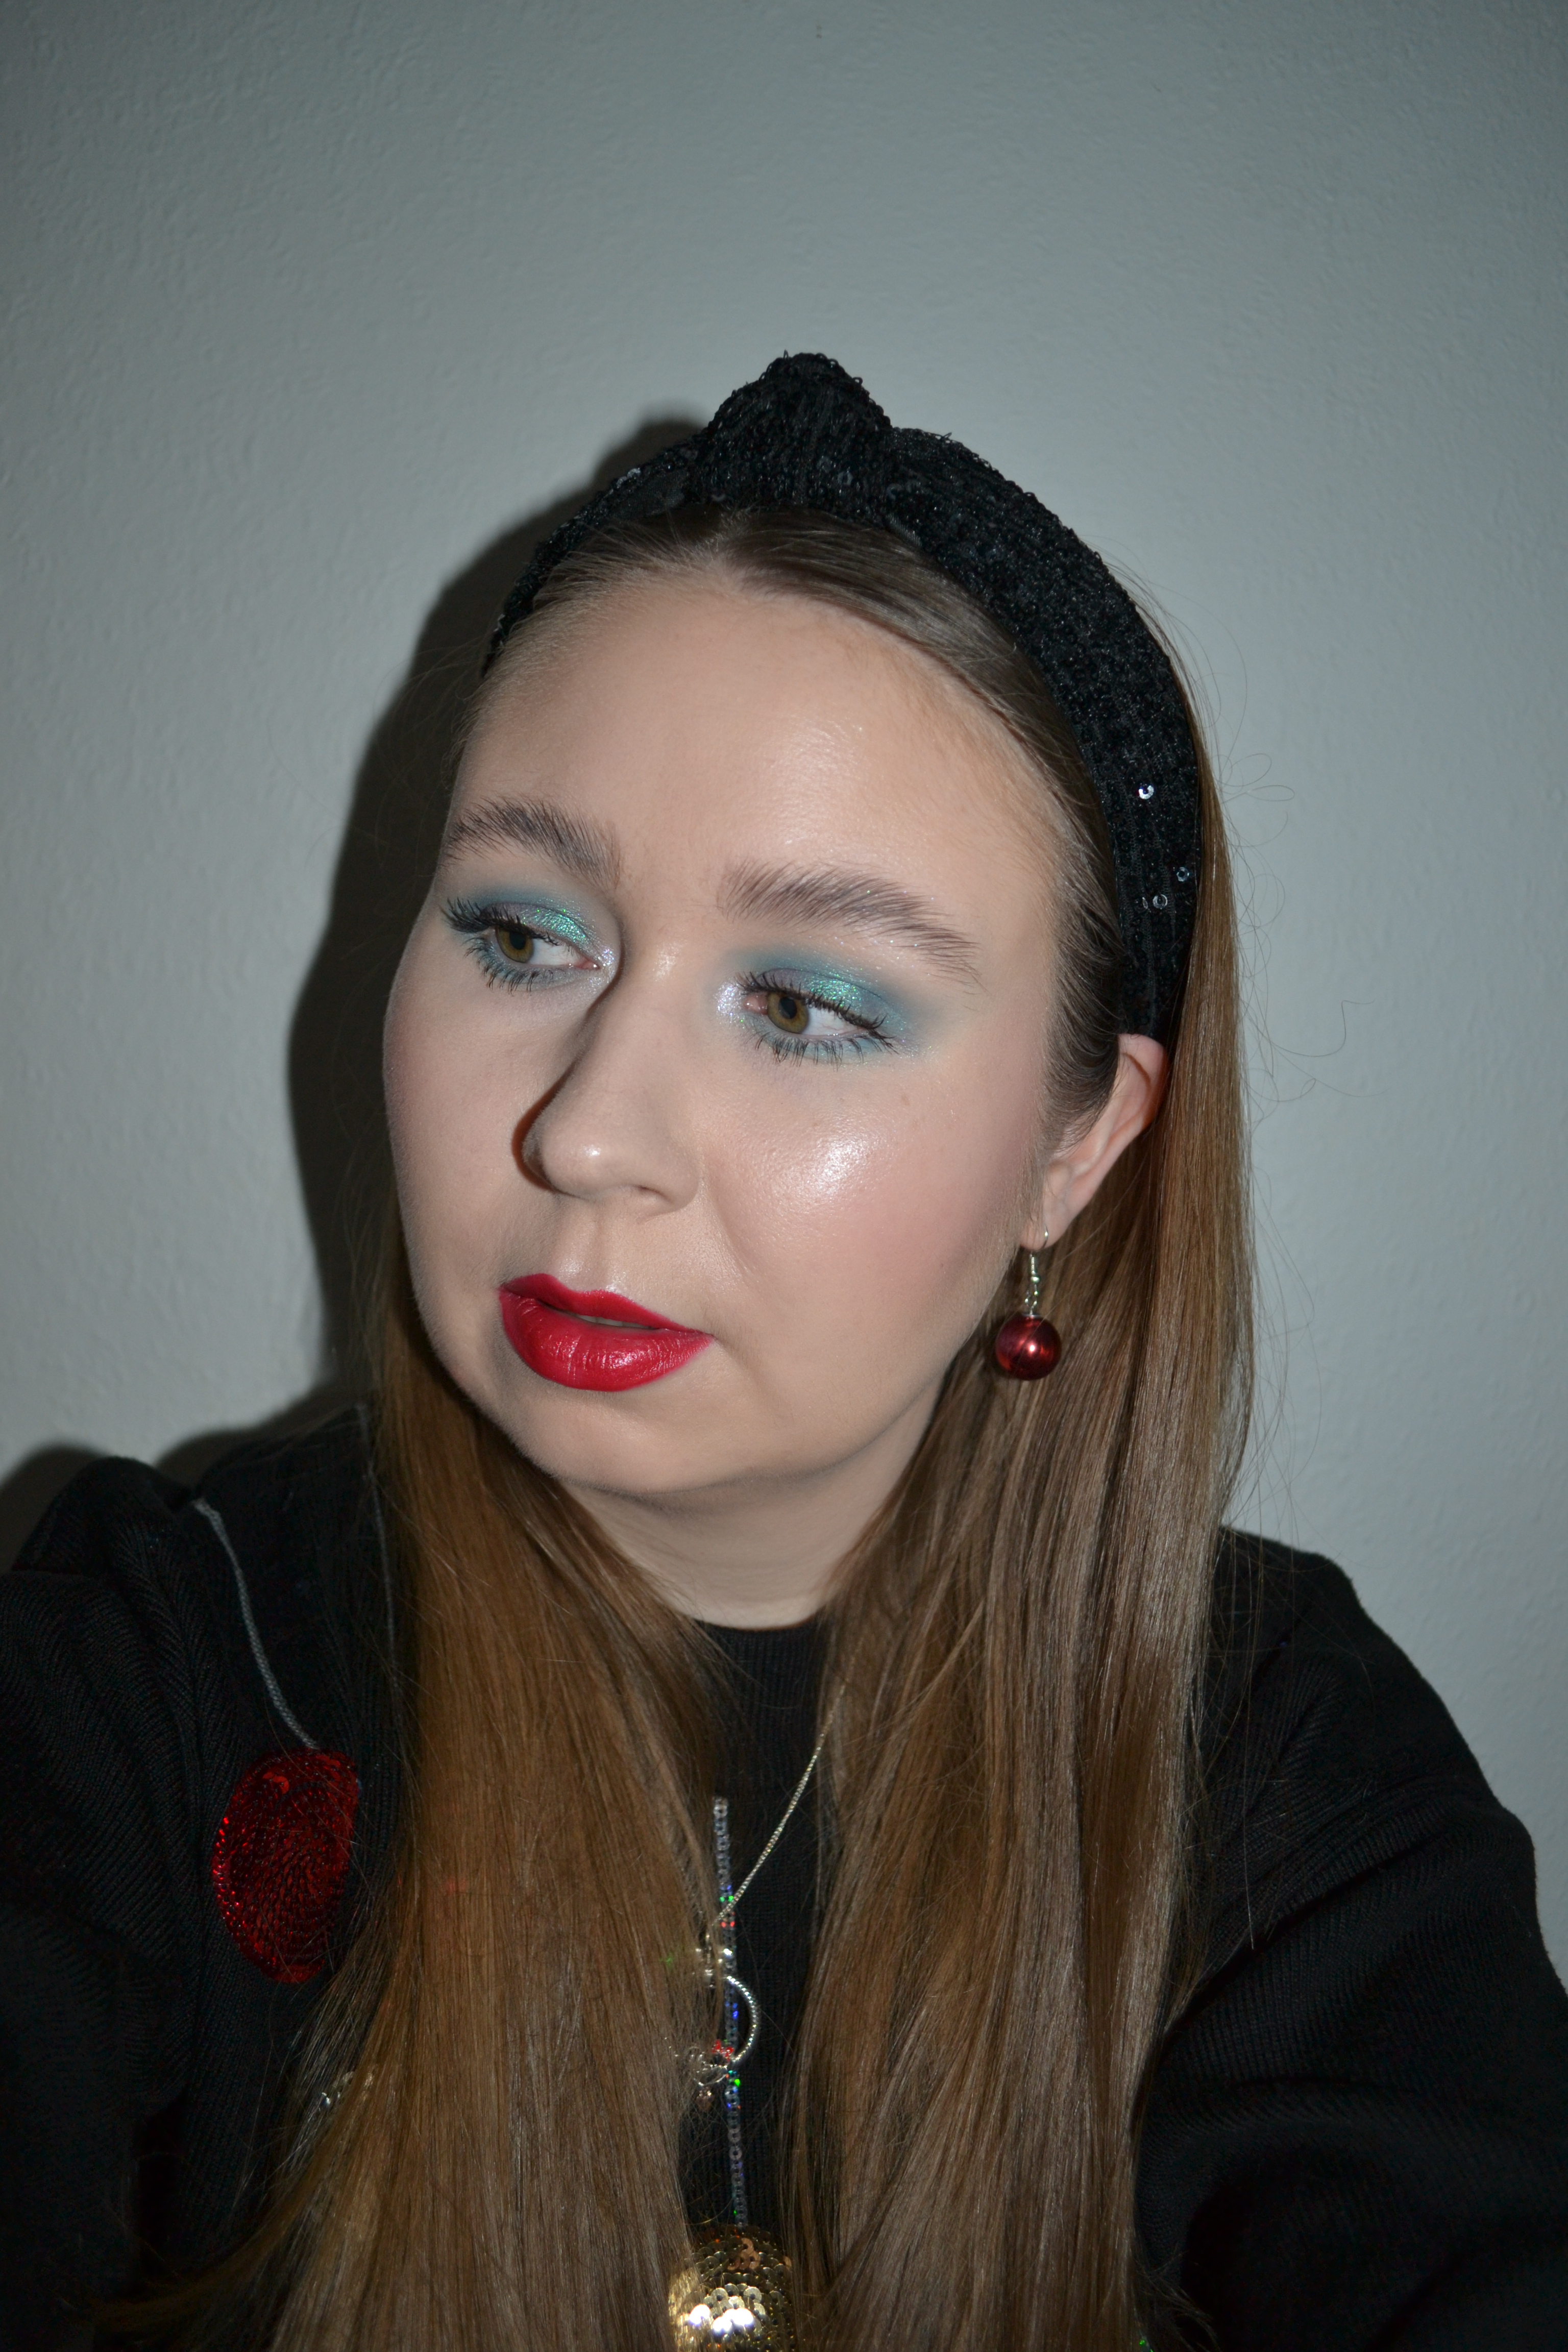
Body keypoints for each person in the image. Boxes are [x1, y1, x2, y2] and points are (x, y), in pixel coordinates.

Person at [2, 354, 1564, 2352]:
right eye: (522, 936)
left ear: (1079, 1143)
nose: (590, 1134)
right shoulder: (149, 1667)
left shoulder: (1276, 1766)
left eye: (809, 1006)